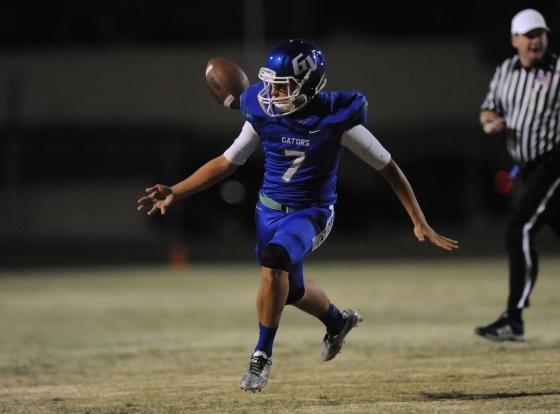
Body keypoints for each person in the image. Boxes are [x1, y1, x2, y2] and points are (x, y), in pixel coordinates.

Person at [138, 39, 458, 391]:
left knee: (274, 264)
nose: (273, 93)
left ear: (308, 85)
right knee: (290, 291)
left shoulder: (338, 119)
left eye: (283, 85)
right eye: (270, 83)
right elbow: (227, 162)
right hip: (267, 210)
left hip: (311, 212)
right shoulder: (262, 109)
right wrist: (176, 190)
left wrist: (418, 219)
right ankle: (338, 322)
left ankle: (261, 357)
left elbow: (388, 167)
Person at [475, 9, 560, 342]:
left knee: (518, 231)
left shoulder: (556, 69)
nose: (536, 40)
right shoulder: (506, 70)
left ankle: (514, 318)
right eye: (529, 35)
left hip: (553, 165)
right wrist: (488, 121)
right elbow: (488, 106)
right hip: (528, 169)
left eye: (540, 33)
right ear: (515, 40)